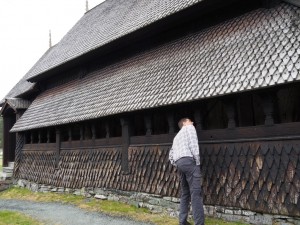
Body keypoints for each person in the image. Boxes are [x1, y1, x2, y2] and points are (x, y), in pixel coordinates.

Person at [169, 118, 204, 225]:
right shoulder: (189, 128)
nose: (192, 122)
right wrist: (197, 162)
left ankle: (182, 221)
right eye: (190, 120)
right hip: (189, 162)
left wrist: (178, 164)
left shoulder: (176, 137)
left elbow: (171, 156)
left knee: (185, 193)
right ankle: (199, 223)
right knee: (196, 194)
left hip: (180, 164)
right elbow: (194, 145)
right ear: (184, 123)